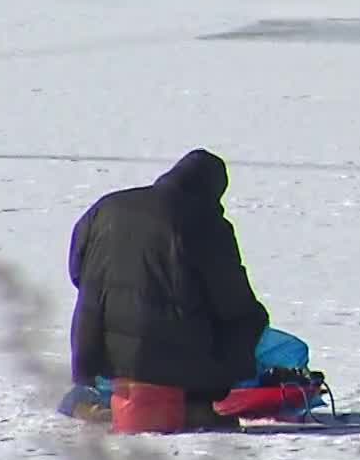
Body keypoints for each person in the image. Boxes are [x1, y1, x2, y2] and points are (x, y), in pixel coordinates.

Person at [68, 149, 270, 430]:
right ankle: (200, 403)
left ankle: (100, 400)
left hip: (100, 351)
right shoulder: (206, 222)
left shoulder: (107, 207)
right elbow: (232, 301)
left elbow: (77, 273)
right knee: (250, 319)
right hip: (176, 362)